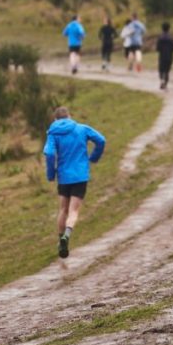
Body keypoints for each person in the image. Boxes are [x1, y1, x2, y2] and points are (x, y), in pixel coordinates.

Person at [43, 106, 106, 259]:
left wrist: (51, 173)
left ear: (56, 119)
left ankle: (61, 241)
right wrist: (94, 157)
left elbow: (49, 153)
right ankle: (67, 234)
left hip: (64, 177)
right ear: (69, 117)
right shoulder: (82, 128)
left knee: (63, 209)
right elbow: (101, 140)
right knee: (74, 211)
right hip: (80, 176)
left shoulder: (53, 133)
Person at [156, 22, 173, 90]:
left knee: (161, 70)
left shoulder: (160, 38)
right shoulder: (171, 38)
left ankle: (162, 80)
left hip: (162, 57)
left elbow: (157, 49)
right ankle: (165, 84)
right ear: (169, 29)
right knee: (167, 71)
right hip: (169, 57)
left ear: (162, 29)